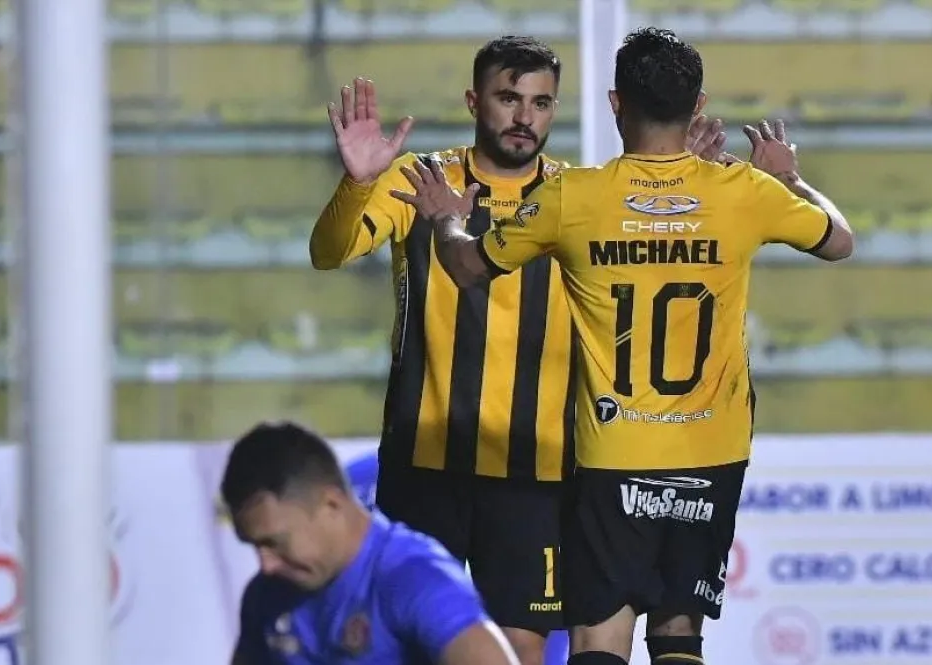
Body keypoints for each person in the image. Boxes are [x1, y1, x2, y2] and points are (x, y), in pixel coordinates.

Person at [389, 28, 854, 665]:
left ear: (615, 104)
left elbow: (468, 269)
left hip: (612, 453)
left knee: (598, 636)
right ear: (698, 106)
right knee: (679, 630)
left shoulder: (573, 198)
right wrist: (790, 179)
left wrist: (445, 216)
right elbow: (840, 240)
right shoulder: (743, 192)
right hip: (712, 450)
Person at [309, 35, 730, 665]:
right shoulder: (423, 183)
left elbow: (663, 243)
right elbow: (330, 252)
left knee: (520, 653)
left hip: (537, 469)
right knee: (411, 645)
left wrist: (679, 172)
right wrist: (356, 183)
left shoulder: (578, 196)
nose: (523, 116)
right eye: (509, 98)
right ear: (476, 101)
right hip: (426, 462)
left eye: (540, 103)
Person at [223, 421, 520, 665]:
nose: (266, 564)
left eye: (274, 542)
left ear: (330, 504)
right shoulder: (265, 597)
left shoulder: (414, 578)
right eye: (253, 545)